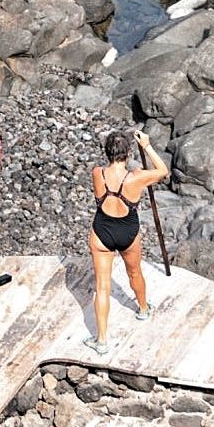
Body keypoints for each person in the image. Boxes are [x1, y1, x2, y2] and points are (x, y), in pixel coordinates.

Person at [86, 129, 169, 355]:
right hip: (127, 232)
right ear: (129, 153)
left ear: (107, 152)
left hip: (102, 231)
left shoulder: (97, 173)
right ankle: (143, 308)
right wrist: (147, 146)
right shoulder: (136, 177)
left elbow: (107, 183)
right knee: (134, 273)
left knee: (102, 287)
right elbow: (163, 171)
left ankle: (101, 340)